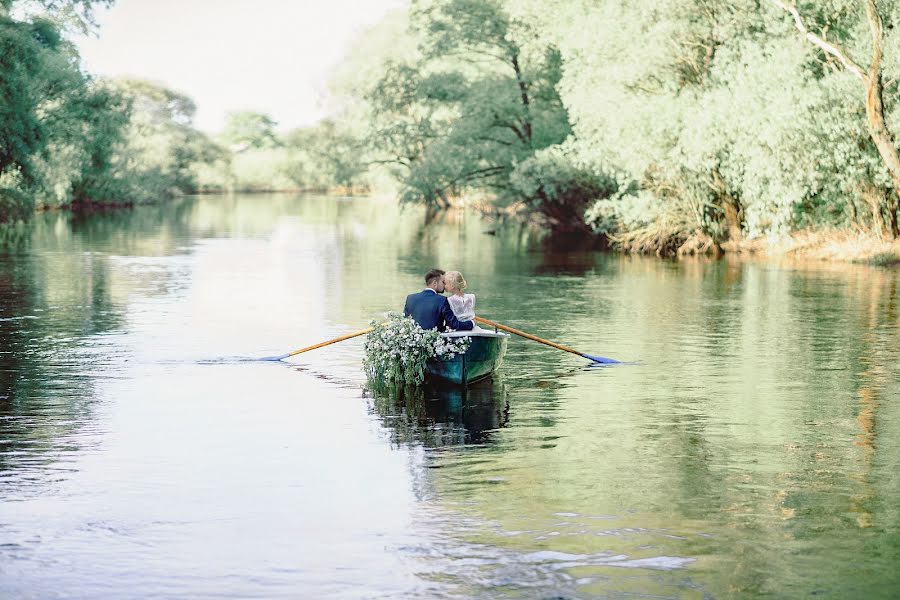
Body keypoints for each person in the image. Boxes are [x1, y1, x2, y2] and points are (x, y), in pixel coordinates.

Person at [403, 269, 474, 332]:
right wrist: (472, 323)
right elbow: (454, 325)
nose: (444, 285)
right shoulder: (442, 300)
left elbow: (404, 322)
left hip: (414, 340)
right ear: (435, 283)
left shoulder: (410, 298)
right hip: (436, 342)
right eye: (443, 282)